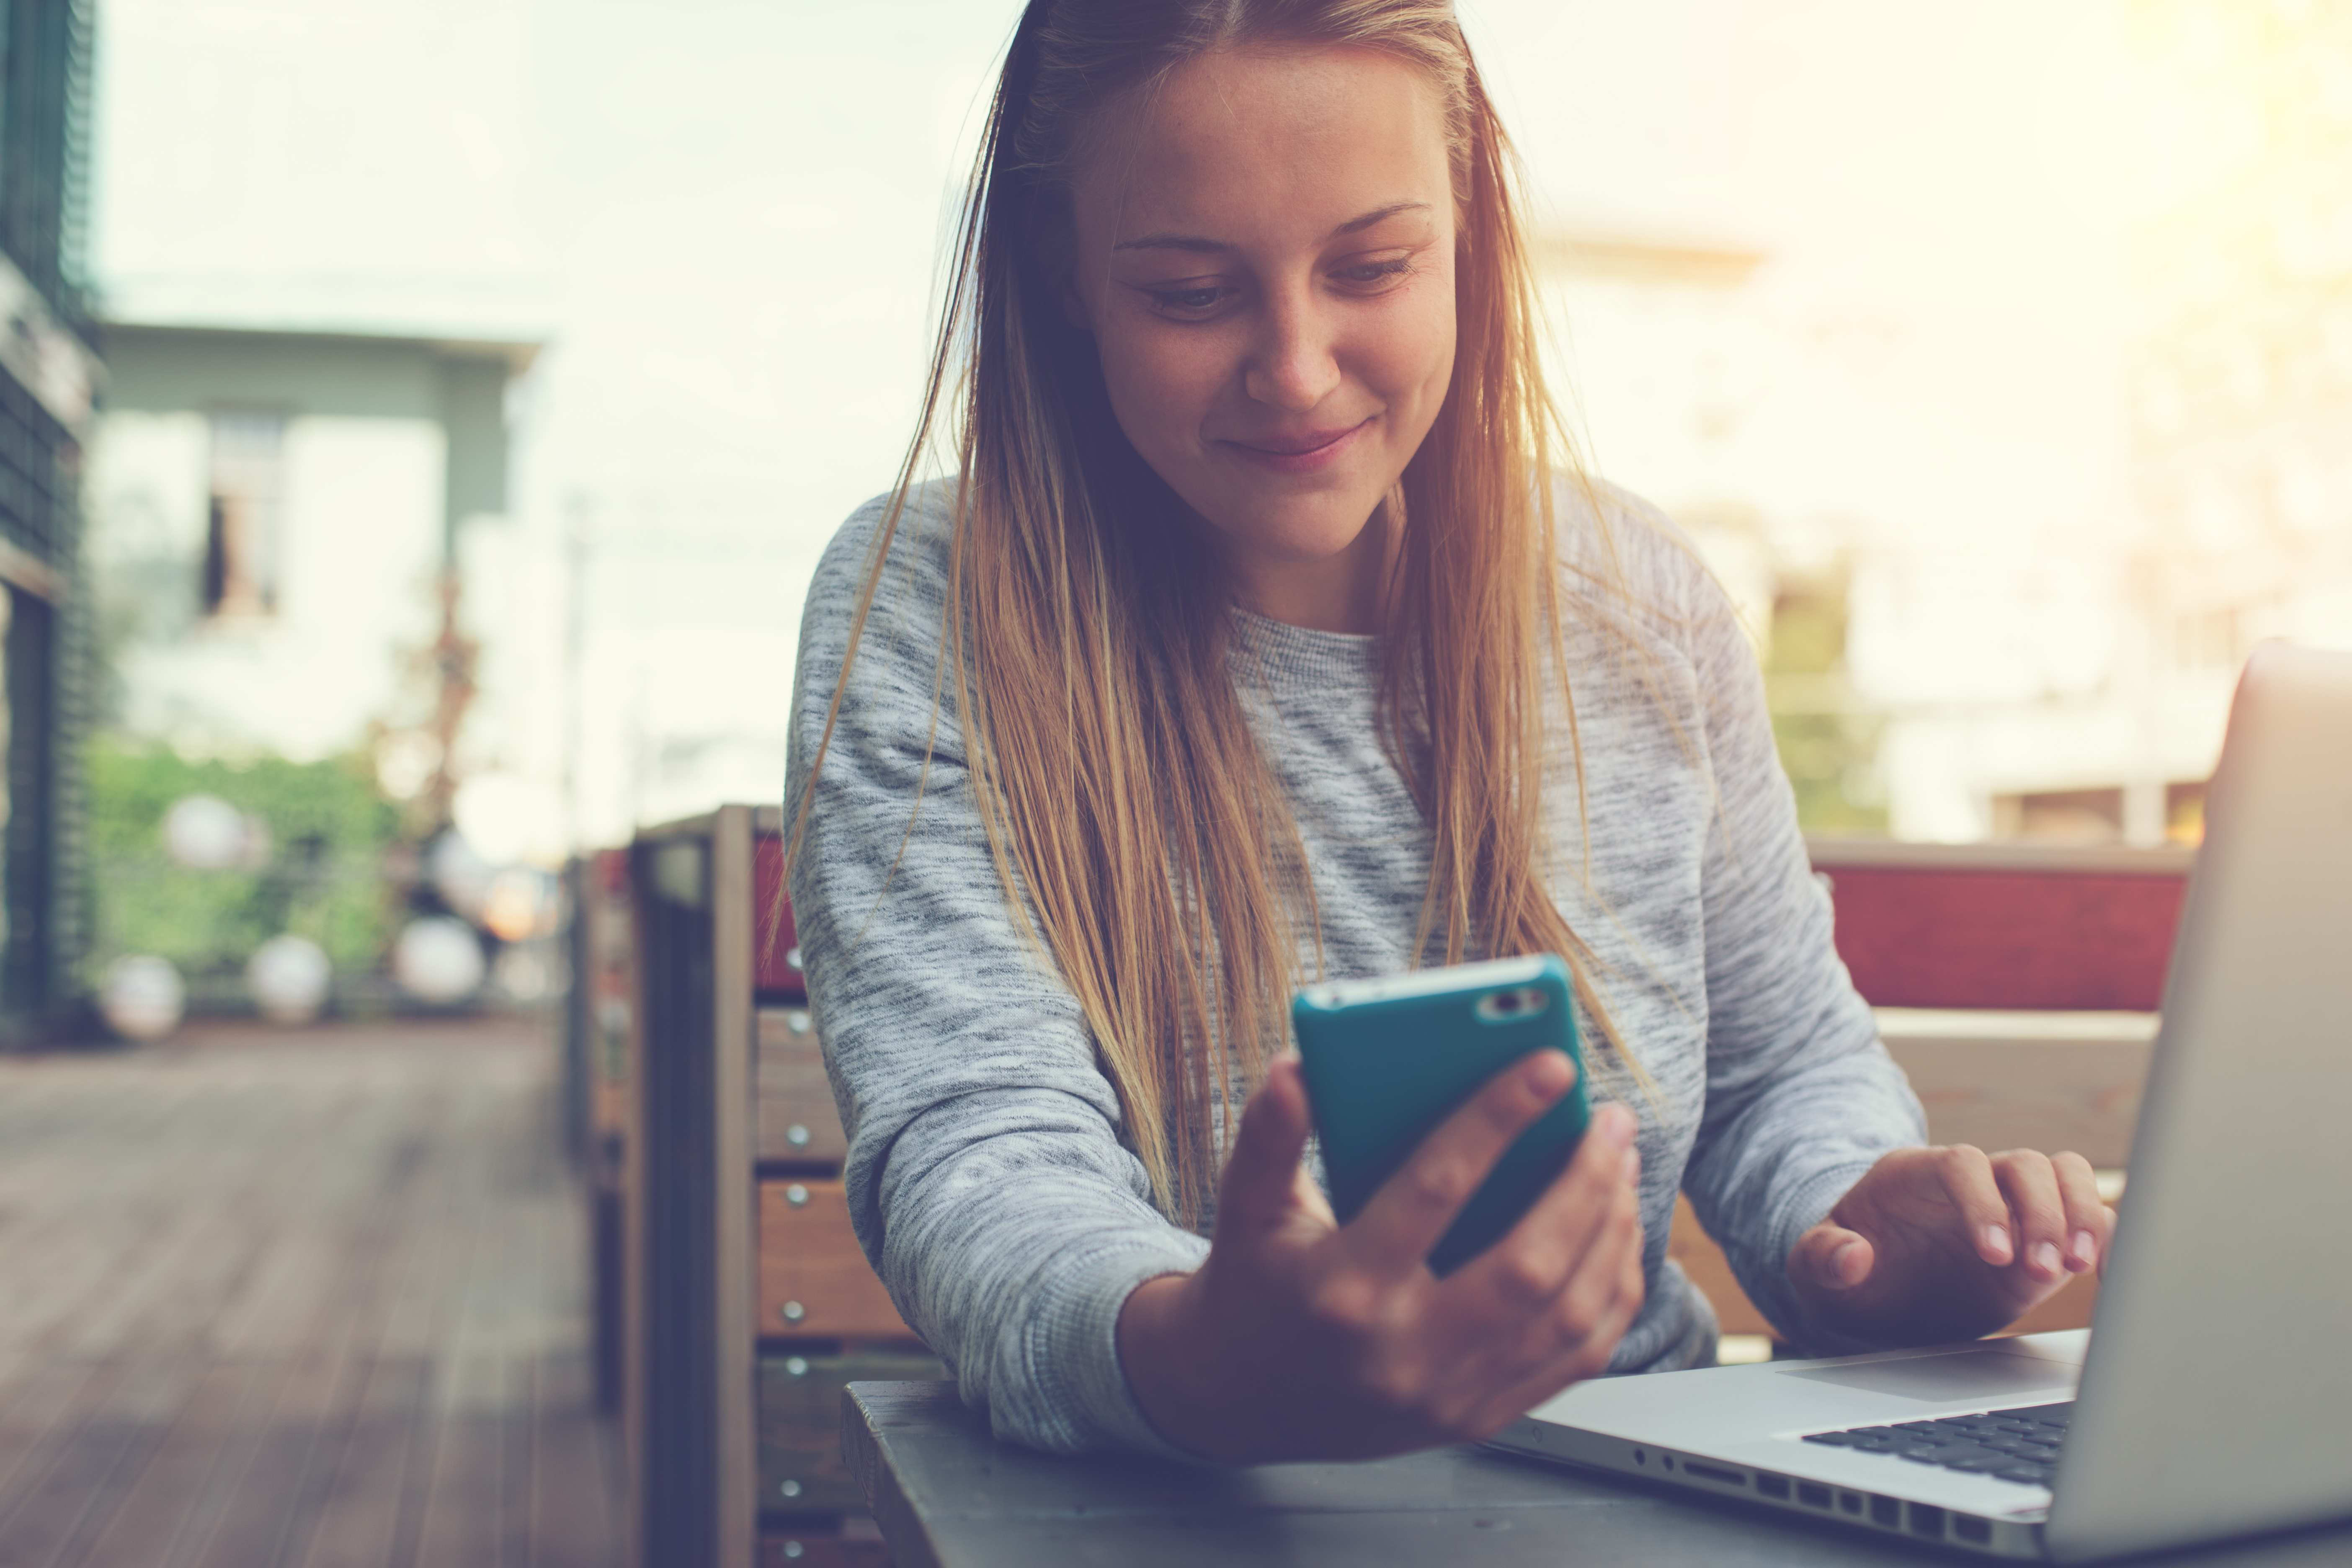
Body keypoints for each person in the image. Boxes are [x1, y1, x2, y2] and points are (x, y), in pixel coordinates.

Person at [783, 0, 2116, 1466]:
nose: (1298, 369)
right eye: (1190, 292)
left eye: (1373, 267)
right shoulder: (938, 607)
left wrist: (1853, 1229)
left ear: (1471, 230)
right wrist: (1203, 1356)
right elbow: (982, 1155)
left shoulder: (1637, 603)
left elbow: (1779, 1067)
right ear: (1064, 275)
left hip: (1647, 1493)